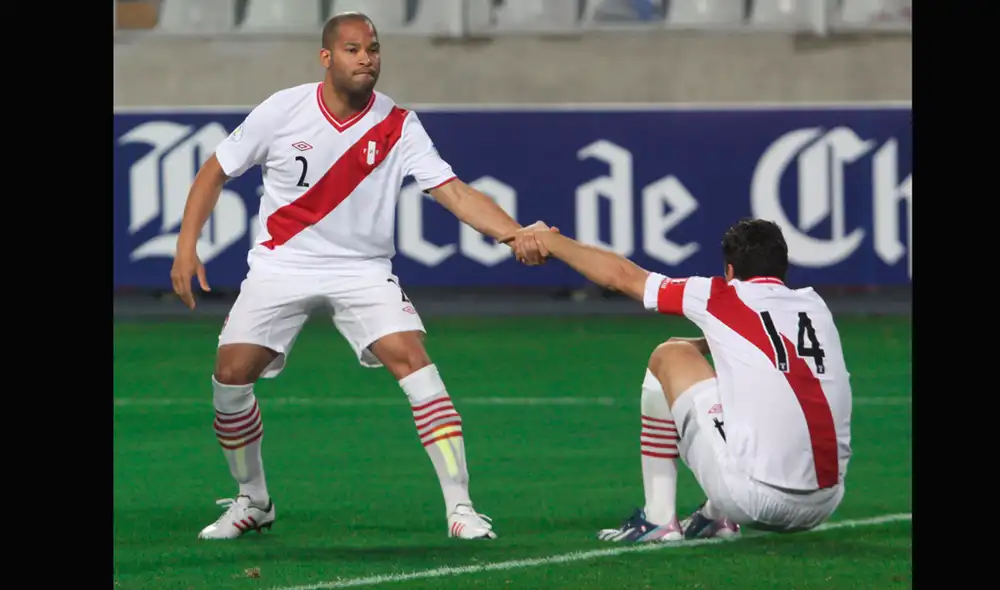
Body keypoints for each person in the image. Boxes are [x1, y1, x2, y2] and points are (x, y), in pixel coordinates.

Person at [169, 12, 550, 541]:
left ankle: (461, 507)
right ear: (326, 58)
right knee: (230, 377)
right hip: (283, 264)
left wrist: (512, 234)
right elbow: (215, 169)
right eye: (353, 49)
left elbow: (455, 192)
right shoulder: (283, 109)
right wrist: (186, 246)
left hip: (362, 270)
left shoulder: (399, 124)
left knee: (414, 363)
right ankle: (253, 500)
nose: (366, 58)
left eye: (373, 48)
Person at [503, 218, 852, 541]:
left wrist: (552, 241)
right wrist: (703, 343)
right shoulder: (814, 306)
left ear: (730, 270)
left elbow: (622, 276)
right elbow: (776, 352)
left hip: (752, 499)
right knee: (748, 384)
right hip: (826, 501)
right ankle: (715, 517)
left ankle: (658, 519)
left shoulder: (720, 295)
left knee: (668, 356)